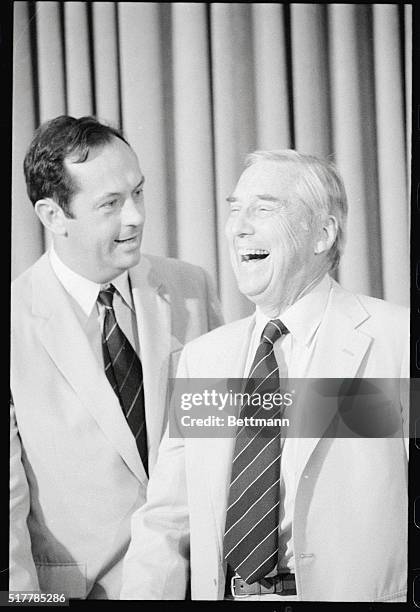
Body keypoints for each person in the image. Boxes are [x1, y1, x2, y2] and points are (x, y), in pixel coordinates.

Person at [121, 150, 409, 602]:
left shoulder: (396, 341)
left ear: (323, 234)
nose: (238, 227)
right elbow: (166, 522)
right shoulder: (206, 360)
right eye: (235, 209)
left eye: (264, 208)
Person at [10, 115, 223, 599]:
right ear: (52, 216)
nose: (136, 216)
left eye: (138, 193)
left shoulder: (191, 288)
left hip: (200, 586)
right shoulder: (13, 323)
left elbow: (229, 428)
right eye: (111, 203)